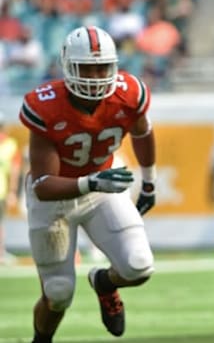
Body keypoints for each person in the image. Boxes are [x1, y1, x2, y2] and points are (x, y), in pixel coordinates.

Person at [19, 26, 157, 343]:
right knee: (58, 293)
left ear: (114, 66)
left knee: (139, 266)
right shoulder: (46, 106)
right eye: (87, 68)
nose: (95, 77)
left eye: (102, 68)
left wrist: (149, 182)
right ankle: (41, 340)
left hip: (101, 190)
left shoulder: (128, 94)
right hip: (55, 201)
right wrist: (92, 181)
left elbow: (142, 131)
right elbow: (42, 184)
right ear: (69, 67)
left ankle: (105, 283)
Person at [0, 111, 21, 265]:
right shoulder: (9, 144)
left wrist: (12, 192)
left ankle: (0, 252)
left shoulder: (10, 144)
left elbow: (14, 171)